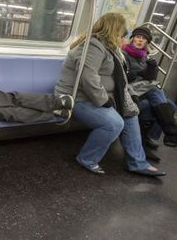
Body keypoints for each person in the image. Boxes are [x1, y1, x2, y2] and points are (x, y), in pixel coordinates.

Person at [54, 12, 166, 177]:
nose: (125, 35)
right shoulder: (92, 46)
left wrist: (131, 95)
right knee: (113, 123)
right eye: (122, 32)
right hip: (75, 97)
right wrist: (103, 101)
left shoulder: (110, 48)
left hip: (97, 95)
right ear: (113, 30)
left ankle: (137, 162)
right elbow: (88, 78)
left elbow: (121, 80)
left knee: (130, 112)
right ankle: (87, 158)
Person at [122, 26, 177, 150]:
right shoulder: (124, 53)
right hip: (129, 92)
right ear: (132, 39)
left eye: (144, 38)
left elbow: (149, 79)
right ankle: (171, 132)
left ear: (147, 42)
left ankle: (151, 137)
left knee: (171, 105)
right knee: (155, 91)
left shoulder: (144, 55)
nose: (140, 40)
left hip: (141, 89)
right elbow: (124, 76)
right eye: (138, 37)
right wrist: (139, 73)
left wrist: (152, 68)